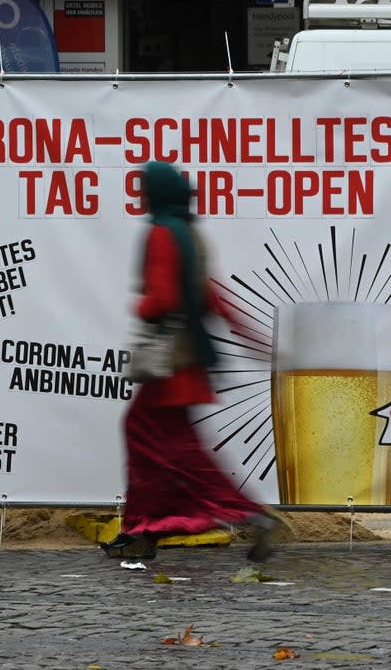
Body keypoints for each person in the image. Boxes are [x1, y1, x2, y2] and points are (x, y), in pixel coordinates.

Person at [101, 160, 280, 562]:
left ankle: (239, 513)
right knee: (162, 444)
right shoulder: (191, 236)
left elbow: (163, 299)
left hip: (171, 362)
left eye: (144, 190)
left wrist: (141, 304)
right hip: (189, 361)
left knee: (164, 445)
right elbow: (212, 298)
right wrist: (253, 338)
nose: (141, 197)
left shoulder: (161, 233)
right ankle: (144, 530)